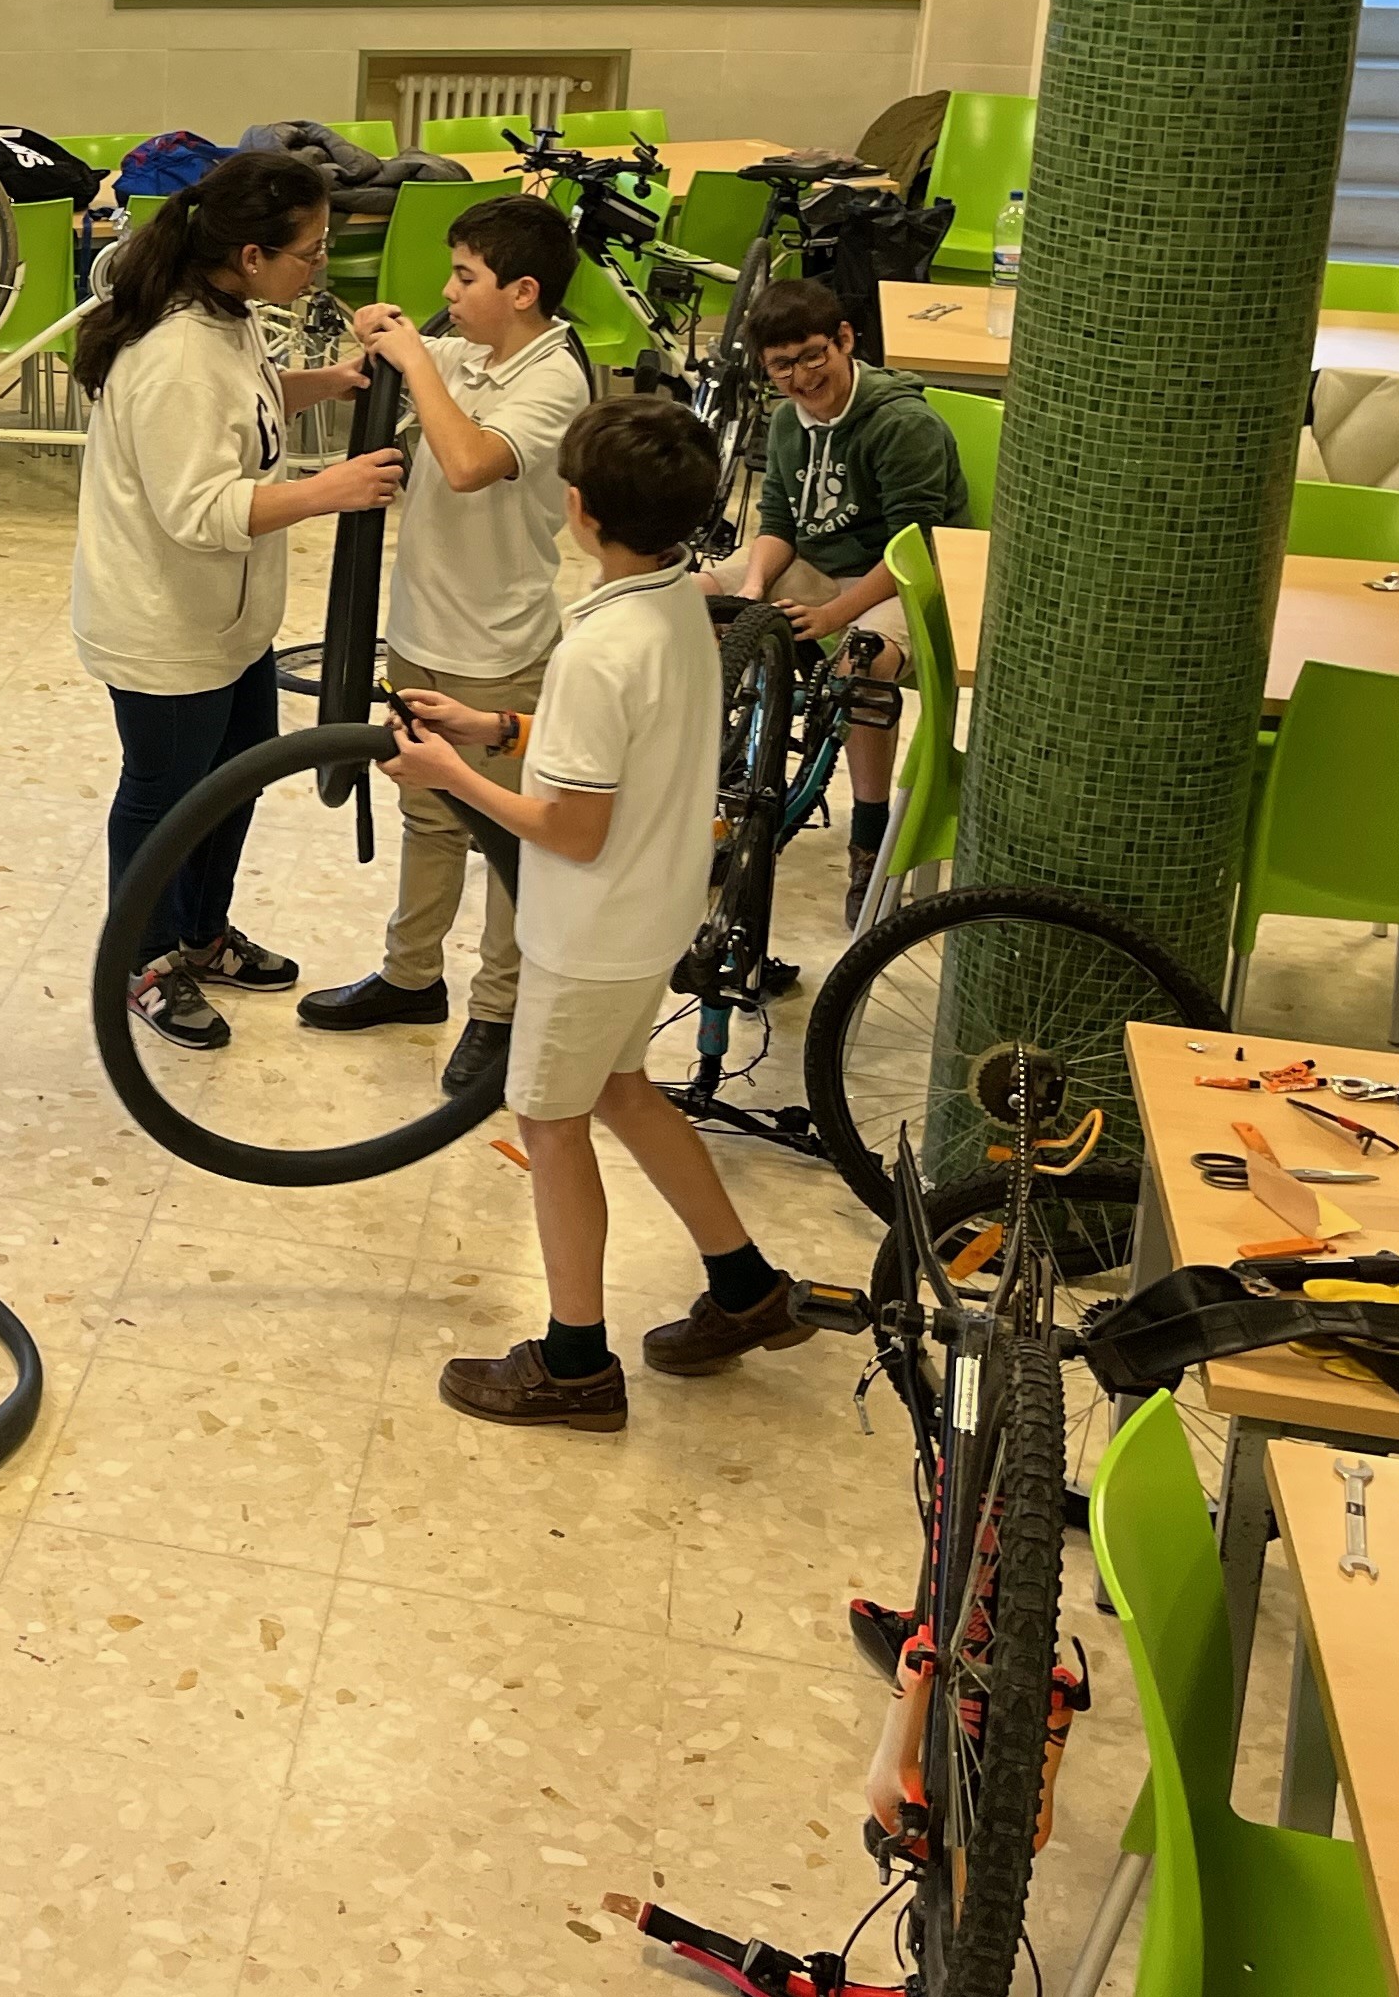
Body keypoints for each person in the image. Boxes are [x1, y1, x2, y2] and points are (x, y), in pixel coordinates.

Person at [388, 397, 816, 1430]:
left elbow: (572, 828)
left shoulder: (594, 648)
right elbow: (624, 741)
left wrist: (452, 774)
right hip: (652, 910)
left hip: (587, 932)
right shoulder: (682, 604)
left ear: (577, 509)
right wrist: (499, 726)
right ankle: (747, 1287)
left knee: (550, 1120)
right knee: (623, 1090)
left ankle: (574, 1362)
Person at [70, 149, 404, 1050]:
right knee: (164, 795)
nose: (320, 266)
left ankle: (200, 933)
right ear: (251, 255)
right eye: (310, 250)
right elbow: (199, 511)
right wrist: (328, 491)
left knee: (233, 781)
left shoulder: (229, 315)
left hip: (226, 618)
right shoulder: (177, 356)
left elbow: (243, 406)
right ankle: (142, 960)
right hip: (165, 626)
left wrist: (328, 382)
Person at [299, 194, 598, 1099]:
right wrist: (379, 341)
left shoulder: (556, 378)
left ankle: (500, 1011)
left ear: (523, 291)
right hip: (421, 628)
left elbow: (469, 466)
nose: (447, 292)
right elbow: (404, 382)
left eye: (466, 278)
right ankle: (410, 976)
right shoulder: (466, 355)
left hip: (498, 647)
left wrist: (417, 361)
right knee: (427, 815)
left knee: (504, 831)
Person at [716, 276, 968, 916]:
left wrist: (832, 615)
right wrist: (749, 592)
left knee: (862, 662)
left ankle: (869, 836)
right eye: (782, 366)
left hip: (904, 576)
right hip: (820, 564)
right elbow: (778, 523)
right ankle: (718, 777)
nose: (801, 377)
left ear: (845, 340)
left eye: (812, 356)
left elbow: (914, 547)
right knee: (694, 598)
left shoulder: (901, 424)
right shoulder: (786, 421)